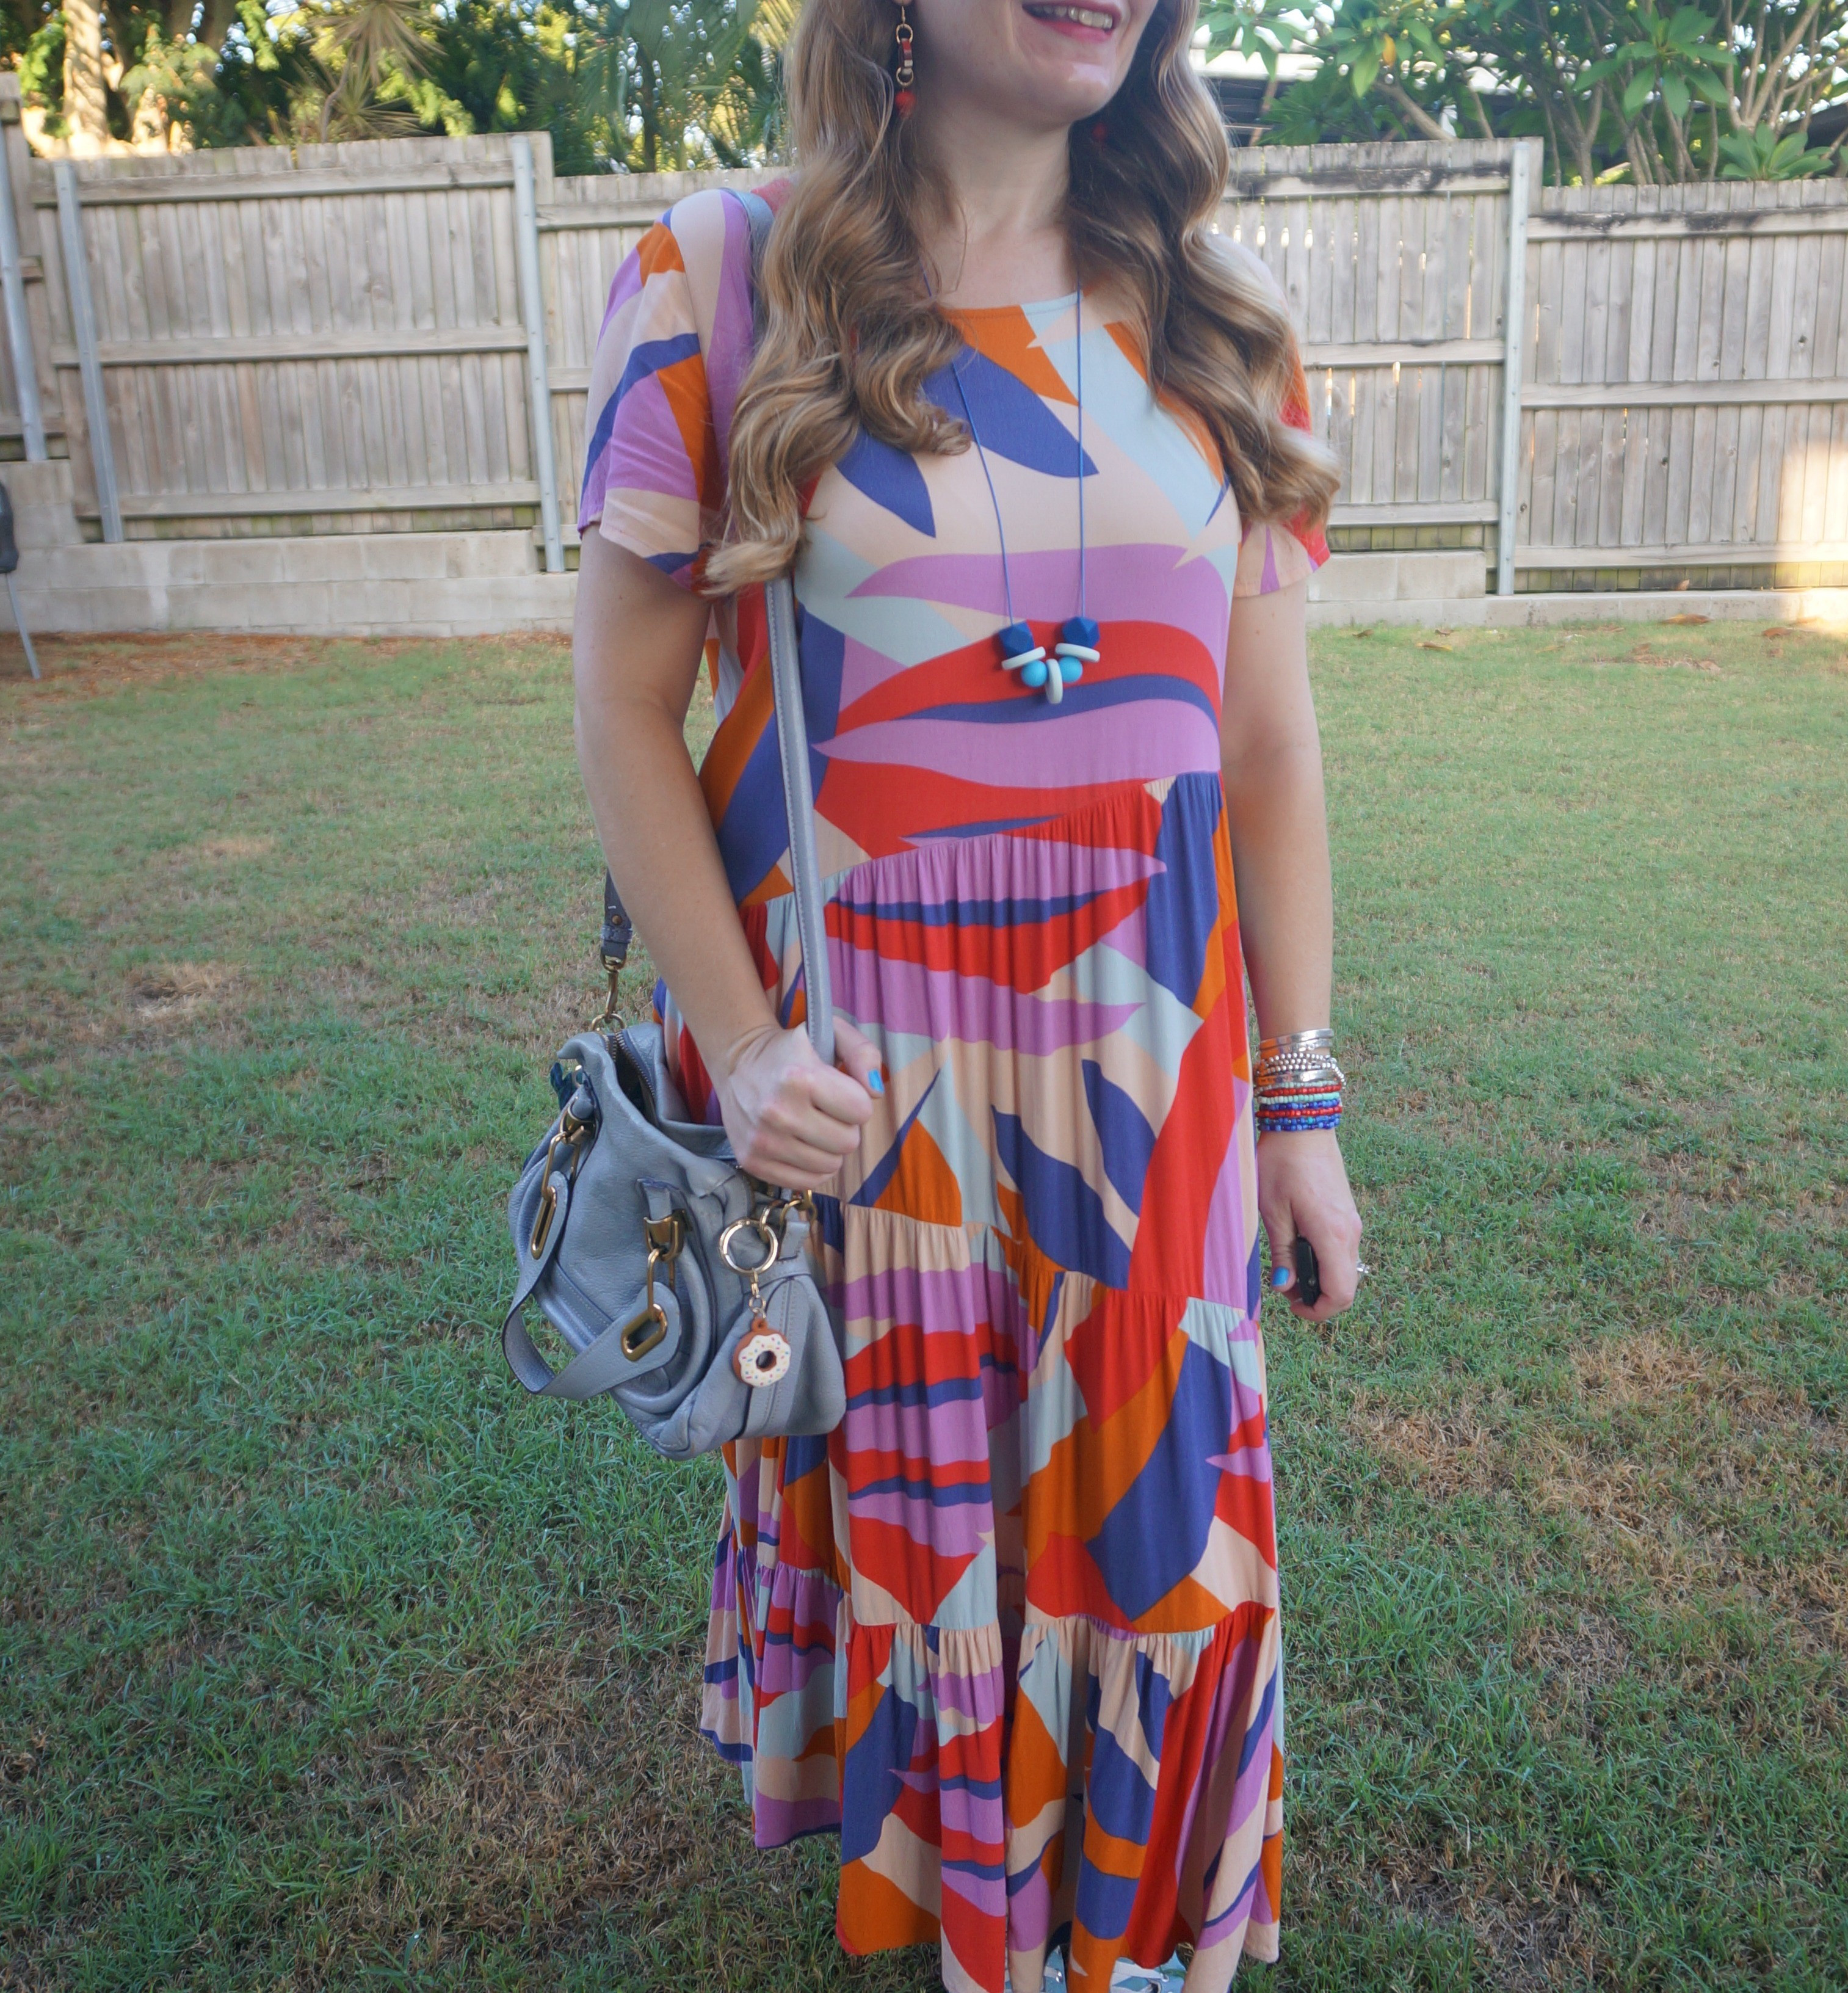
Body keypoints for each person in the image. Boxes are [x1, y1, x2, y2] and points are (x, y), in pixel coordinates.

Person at [569, 0, 1361, 1981]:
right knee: (937, 1545)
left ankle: (1134, 1930)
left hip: (1151, 1085)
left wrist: (1301, 1103)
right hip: (879, 1097)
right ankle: (972, 1916)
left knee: (1157, 1541)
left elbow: (1265, 753)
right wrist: (743, 1060)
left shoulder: (1219, 328)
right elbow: (621, 708)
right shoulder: (732, 278)